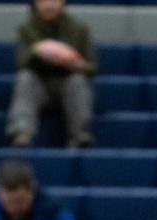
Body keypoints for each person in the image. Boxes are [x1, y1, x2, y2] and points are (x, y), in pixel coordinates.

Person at [6, 0, 97, 148]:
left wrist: (76, 64)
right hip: (39, 85)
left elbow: (91, 67)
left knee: (78, 80)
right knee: (25, 78)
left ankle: (80, 135)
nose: (49, 5)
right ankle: (22, 132)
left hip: (68, 83)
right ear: (35, 4)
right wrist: (36, 52)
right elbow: (21, 63)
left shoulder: (79, 29)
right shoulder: (26, 29)